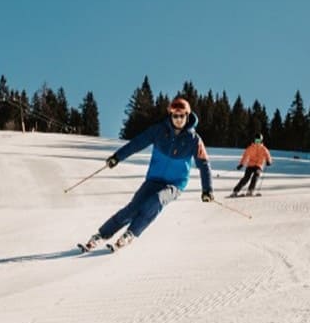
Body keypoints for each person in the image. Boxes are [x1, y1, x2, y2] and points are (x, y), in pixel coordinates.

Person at [78, 96, 214, 252]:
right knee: (132, 208)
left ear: (187, 115)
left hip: (175, 184)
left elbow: (204, 164)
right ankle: (101, 235)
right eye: (175, 115)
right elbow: (137, 143)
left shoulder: (194, 140)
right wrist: (117, 157)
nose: (178, 119)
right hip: (153, 180)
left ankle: (131, 233)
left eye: (182, 115)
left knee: (155, 201)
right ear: (170, 115)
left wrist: (207, 190)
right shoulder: (158, 131)